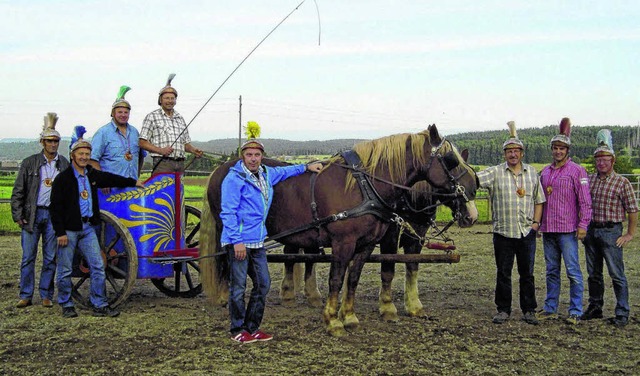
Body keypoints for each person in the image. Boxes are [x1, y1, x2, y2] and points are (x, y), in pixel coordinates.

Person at [220, 121, 323, 343]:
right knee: (238, 288)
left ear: (262, 156)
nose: (254, 158)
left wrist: (306, 167)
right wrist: (236, 241)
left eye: (257, 155)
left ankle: (252, 327)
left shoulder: (266, 174)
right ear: (243, 157)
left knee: (263, 285)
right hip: (239, 243)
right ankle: (237, 330)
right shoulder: (234, 179)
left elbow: (286, 171)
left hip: (257, 242)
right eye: (249, 155)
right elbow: (228, 213)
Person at [50, 126, 144, 318]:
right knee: (66, 269)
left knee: (98, 265)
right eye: (81, 153)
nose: (84, 157)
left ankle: (99, 303)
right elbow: (55, 208)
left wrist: (132, 182)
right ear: (73, 155)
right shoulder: (63, 179)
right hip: (69, 229)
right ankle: (67, 304)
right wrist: (60, 232)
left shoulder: (91, 175)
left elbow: (110, 177)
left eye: (87, 153)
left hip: (88, 227)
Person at [477, 121, 545, 325]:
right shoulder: (495, 172)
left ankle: (529, 310)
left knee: (527, 274)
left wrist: (535, 224)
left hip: (526, 232)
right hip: (503, 232)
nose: (513, 154)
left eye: (516, 151)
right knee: (503, 273)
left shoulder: (532, 173)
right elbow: (473, 179)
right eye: (509, 151)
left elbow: (539, 200)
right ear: (504, 154)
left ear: (522, 153)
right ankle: (503, 309)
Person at [10, 113, 70, 308]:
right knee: (28, 256)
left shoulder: (63, 164)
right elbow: (19, 190)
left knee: (51, 257)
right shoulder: (30, 163)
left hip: (53, 216)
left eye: (56, 141)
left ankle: (46, 294)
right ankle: (26, 294)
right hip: (32, 214)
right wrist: (18, 215)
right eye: (49, 141)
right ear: (42, 142)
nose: (53, 144)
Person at [537, 117, 592, 325]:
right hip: (549, 229)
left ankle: (576, 310)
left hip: (568, 229)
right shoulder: (545, 172)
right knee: (551, 270)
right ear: (552, 149)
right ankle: (551, 307)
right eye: (555, 148)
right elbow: (540, 200)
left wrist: (583, 225)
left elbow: (585, 201)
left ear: (567, 151)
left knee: (573, 271)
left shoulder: (577, 171)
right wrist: (539, 223)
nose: (558, 151)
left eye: (562, 148)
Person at [581, 129, 638, 327]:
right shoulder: (589, 181)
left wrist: (629, 233)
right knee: (593, 273)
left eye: (605, 159)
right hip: (592, 230)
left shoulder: (622, 182)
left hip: (611, 231)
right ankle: (595, 306)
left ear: (612, 161)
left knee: (616, 274)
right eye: (598, 159)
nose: (601, 163)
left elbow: (632, 210)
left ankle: (622, 311)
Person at [139, 73, 203, 173]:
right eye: (167, 98)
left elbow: (185, 144)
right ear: (160, 100)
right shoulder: (152, 117)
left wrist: (193, 150)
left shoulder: (180, 118)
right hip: (162, 163)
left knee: (179, 189)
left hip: (180, 163)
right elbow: (142, 142)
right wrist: (160, 150)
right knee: (163, 189)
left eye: (172, 98)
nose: (170, 101)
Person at [89, 85, 143, 179]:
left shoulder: (134, 132)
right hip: (110, 188)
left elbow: (141, 156)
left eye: (126, 112)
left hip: (131, 187)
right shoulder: (103, 133)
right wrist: (102, 180)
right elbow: (92, 160)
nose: (123, 115)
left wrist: (137, 177)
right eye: (120, 112)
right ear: (113, 113)